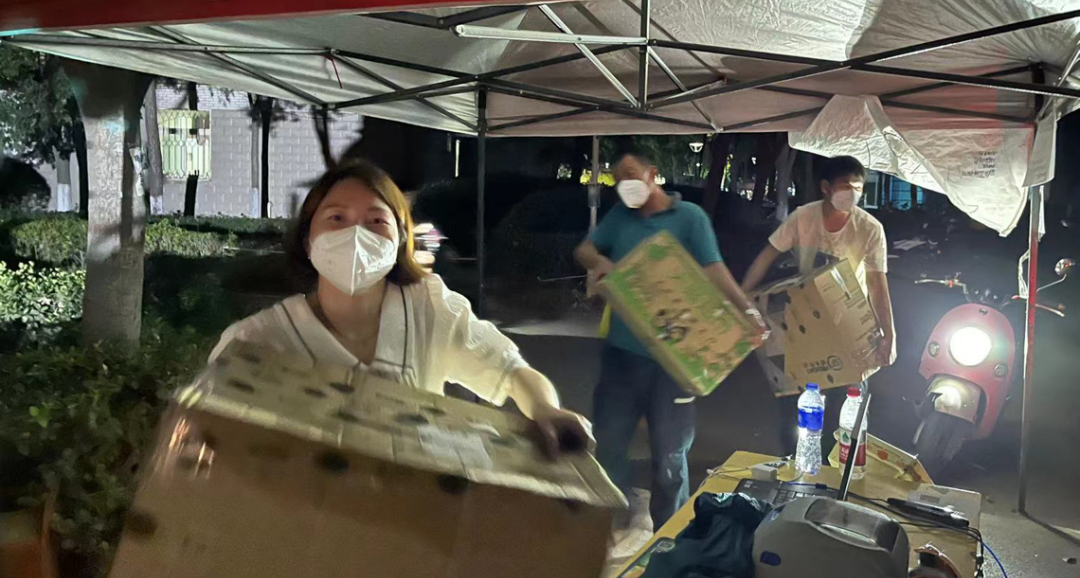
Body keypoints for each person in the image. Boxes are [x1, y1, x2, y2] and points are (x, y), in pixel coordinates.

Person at [210, 160, 592, 456]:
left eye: (376, 220)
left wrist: (546, 409)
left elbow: (510, 370)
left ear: (400, 239)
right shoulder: (255, 341)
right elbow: (212, 435)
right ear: (307, 240)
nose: (356, 234)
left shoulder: (429, 309)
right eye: (337, 218)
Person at [574, 151, 766, 529]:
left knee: (670, 455)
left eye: (631, 174)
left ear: (652, 174)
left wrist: (748, 312)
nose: (625, 184)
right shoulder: (620, 217)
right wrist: (599, 261)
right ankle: (608, 524)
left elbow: (714, 270)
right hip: (622, 356)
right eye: (618, 179)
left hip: (675, 361)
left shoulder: (690, 218)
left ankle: (671, 534)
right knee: (609, 442)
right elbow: (584, 248)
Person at [740, 155, 896, 455]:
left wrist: (889, 335)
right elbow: (766, 256)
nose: (852, 193)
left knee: (845, 414)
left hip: (847, 325)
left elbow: (877, 284)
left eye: (858, 188)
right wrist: (743, 299)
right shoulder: (803, 218)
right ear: (826, 188)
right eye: (845, 186)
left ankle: (837, 473)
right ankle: (795, 464)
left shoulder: (869, 228)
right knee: (794, 407)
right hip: (802, 320)